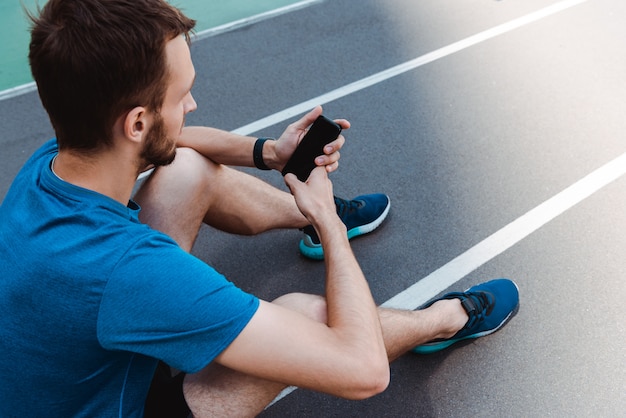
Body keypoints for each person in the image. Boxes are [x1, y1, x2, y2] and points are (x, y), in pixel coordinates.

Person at [0, 1, 520, 417]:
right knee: (309, 318)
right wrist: (330, 224)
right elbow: (363, 372)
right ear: (136, 123)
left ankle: (305, 215)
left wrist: (267, 153)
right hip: (118, 400)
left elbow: (176, 143)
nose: (192, 105)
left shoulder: (49, 167)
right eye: (181, 95)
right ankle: (445, 319)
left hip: (73, 363)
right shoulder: (129, 269)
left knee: (186, 166)